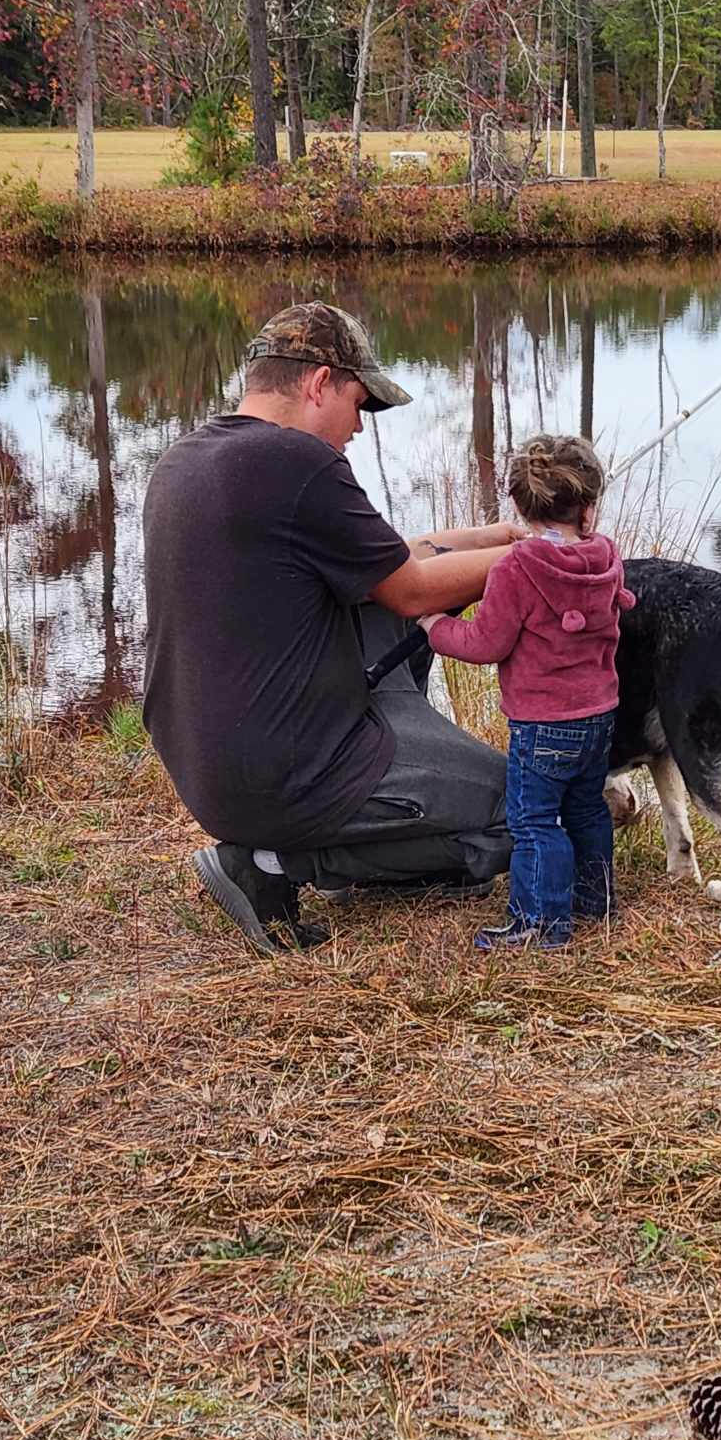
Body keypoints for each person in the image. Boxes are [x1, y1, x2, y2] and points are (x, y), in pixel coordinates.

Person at [142, 301, 519, 956]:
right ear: (319, 383)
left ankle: (348, 827)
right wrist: (545, 559)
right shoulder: (295, 462)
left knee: (379, 603)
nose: (359, 428)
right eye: (357, 402)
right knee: (527, 808)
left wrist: (494, 537)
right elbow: (411, 589)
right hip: (286, 772)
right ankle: (272, 864)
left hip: (215, 762)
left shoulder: (192, 457)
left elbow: (385, 562)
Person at [423, 433, 633, 952]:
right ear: (588, 509)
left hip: (543, 723)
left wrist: (432, 624)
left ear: (519, 504)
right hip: (601, 713)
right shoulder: (605, 555)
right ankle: (594, 900)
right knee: (585, 807)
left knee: (535, 820)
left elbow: (485, 642)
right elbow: (621, 600)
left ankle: (540, 921)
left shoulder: (516, 568)